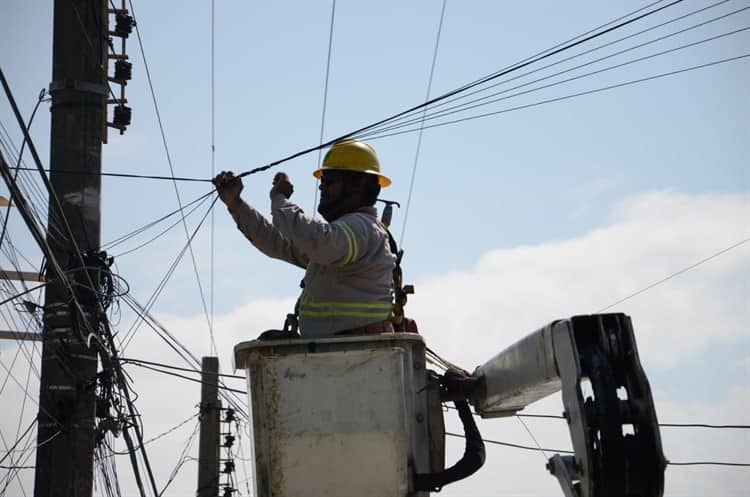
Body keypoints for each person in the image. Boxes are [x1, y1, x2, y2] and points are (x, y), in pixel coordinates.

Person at [213, 139, 397, 338]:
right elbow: (278, 243)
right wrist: (236, 204)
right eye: (322, 182)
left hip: (359, 353)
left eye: (330, 182)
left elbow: (316, 240)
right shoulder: (343, 240)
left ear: (358, 185)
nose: (322, 188)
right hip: (341, 352)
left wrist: (280, 199)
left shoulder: (362, 228)